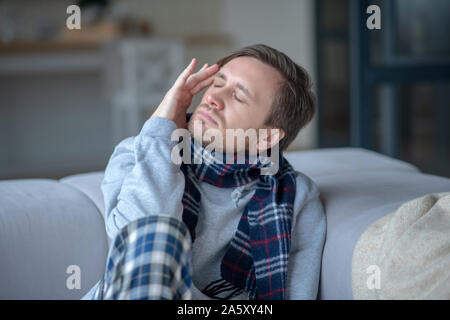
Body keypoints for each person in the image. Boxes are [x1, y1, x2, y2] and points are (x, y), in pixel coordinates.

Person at [82, 44, 326, 300]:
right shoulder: (139, 152)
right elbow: (132, 245)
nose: (212, 98)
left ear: (266, 137)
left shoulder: (294, 196)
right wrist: (161, 130)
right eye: (218, 84)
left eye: (238, 97)